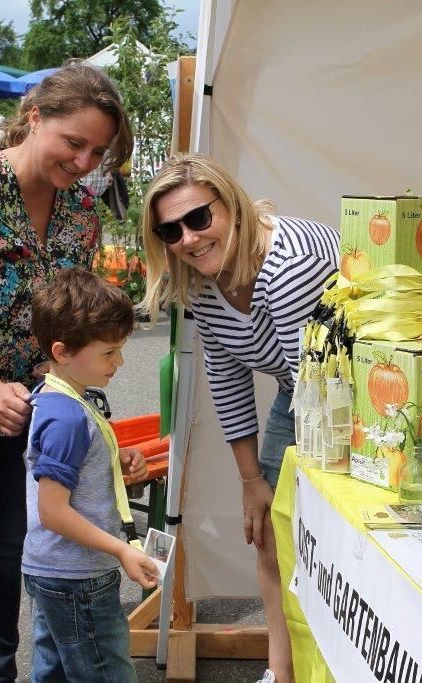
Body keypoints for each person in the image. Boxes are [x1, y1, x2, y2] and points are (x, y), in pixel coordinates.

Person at [0, 60, 133, 682]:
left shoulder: (80, 217)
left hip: (33, 410)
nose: (85, 161)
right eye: (74, 143)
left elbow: (71, 327)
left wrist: (80, 406)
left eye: (98, 151)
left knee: (7, 558)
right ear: (34, 119)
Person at [140, 153, 340, 683]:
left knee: (333, 535)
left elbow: (318, 392)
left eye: (199, 218)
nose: (187, 237)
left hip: (353, 393)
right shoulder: (200, 280)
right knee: (270, 536)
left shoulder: (285, 265)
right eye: (170, 230)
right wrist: (252, 481)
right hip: (302, 390)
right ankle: (284, 671)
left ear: (230, 205)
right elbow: (227, 379)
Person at [24, 267, 158, 682]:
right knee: (105, 671)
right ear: (62, 351)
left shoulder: (60, 398)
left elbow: (72, 468)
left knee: (54, 670)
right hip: (78, 574)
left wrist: (117, 461)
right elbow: (54, 511)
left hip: (53, 569)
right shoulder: (67, 417)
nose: (119, 362)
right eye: (108, 352)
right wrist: (121, 550)